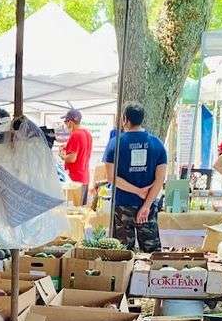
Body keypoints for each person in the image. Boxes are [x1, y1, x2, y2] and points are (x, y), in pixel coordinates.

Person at [102, 104, 167, 252]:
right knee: (151, 253)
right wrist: (146, 205)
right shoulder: (157, 144)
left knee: (123, 253)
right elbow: (160, 179)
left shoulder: (115, 143)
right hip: (148, 205)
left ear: (125, 119)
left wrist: (137, 191)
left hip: (122, 205)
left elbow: (111, 177)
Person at [62, 107, 92, 203]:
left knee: (74, 213)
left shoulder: (75, 135)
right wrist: (67, 146)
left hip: (75, 180)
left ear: (70, 122)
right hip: (84, 177)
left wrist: (61, 155)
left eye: (66, 122)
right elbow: (82, 151)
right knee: (81, 213)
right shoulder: (87, 133)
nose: (66, 125)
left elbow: (72, 158)